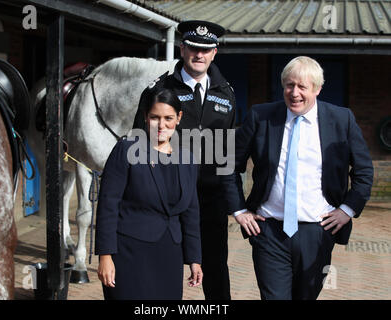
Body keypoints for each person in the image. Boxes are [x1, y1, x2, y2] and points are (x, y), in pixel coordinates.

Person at [222, 56, 374, 300]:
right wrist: (239, 210)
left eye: (302, 87)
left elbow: (364, 172)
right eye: (289, 85)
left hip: (318, 232)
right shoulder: (261, 117)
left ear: (317, 89)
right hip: (268, 231)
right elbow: (228, 164)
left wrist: (347, 209)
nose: (294, 93)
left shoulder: (341, 120)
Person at [133, 20, 236, 300]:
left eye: (206, 50)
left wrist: (232, 199)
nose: (199, 55)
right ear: (182, 48)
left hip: (211, 200)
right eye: (193, 48)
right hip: (168, 197)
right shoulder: (159, 90)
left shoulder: (226, 93)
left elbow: (228, 153)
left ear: (215, 52)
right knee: (163, 266)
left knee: (215, 268)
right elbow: (139, 147)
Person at [95, 88, 203, 300]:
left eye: (168, 118)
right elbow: (108, 205)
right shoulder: (126, 150)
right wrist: (105, 256)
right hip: (128, 255)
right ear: (145, 117)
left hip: (169, 254)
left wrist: (194, 259)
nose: (161, 125)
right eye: (155, 117)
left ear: (179, 118)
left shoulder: (188, 160)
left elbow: (191, 213)